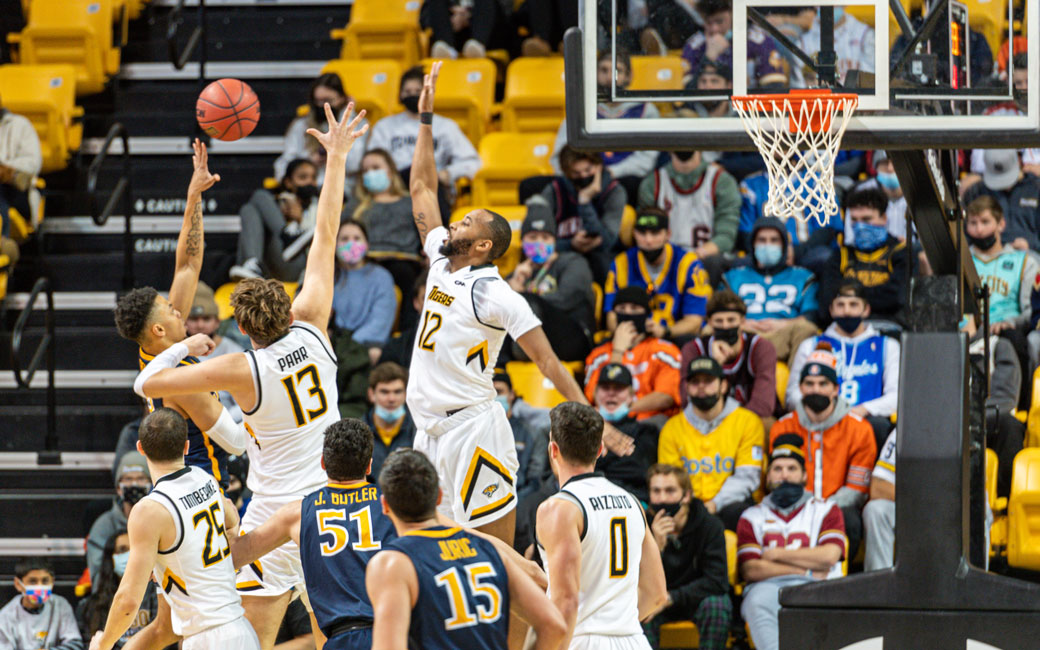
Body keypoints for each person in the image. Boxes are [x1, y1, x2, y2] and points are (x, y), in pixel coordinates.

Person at [133, 103, 369, 648]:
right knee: (336, 633)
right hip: (331, 504)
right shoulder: (313, 326)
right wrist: (336, 159)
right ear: (287, 310)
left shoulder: (242, 367)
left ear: (242, 326)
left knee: (252, 638)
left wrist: (182, 347)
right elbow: (326, 234)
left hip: (269, 512)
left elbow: (148, 385)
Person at [405, 62, 632, 545]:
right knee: (431, 554)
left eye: (467, 223)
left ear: (485, 245)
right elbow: (422, 189)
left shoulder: (496, 294)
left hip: (473, 432)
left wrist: (597, 424)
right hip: (428, 432)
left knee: (494, 556)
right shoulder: (443, 262)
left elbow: (548, 361)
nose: (455, 224)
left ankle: (542, 617)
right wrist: (425, 122)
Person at [114, 139, 245, 496]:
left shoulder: (157, 351)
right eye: (168, 309)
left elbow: (188, 265)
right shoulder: (181, 379)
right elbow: (235, 443)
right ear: (158, 329)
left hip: (183, 488)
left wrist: (194, 196)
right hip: (203, 489)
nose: (177, 307)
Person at [87, 408, 257, 650]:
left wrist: (103, 644)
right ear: (186, 447)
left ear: (140, 448)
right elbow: (232, 522)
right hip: (240, 630)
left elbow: (128, 599)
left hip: (207, 637)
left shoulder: (149, 510)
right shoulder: (205, 478)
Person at [365, 449, 568, 649]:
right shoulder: (488, 548)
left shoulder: (393, 563)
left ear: (385, 506)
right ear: (438, 498)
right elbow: (554, 625)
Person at [227, 418, 396, 649]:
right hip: (393, 633)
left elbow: (231, 557)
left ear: (323, 463)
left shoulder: (297, 513)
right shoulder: (394, 505)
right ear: (369, 466)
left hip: (342, 637)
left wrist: (229, 520)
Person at [535, 402, 668, 648]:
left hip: (581, 641)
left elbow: (566, 602)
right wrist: (616, 625)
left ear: (553, 450)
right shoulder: (633, 503)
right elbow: (658, 593)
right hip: (634, 640)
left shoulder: (558, 508)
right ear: (600, 450)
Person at [737, 435, 846, 650]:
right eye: (777, 469)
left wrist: (775, 554)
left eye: (791, 468)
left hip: (820, 587)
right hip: (767, 588)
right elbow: (751, 569)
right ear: (767, 477)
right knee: (756, 602)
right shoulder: (751, 516)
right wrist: (805, 570)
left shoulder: (827, 509)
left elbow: (829, 557)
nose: (784, 475)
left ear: (805, 475)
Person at [771, 345, 876, 557]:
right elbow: (777, 479)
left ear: (835, 389)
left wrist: (822, 508)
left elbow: (856, 489)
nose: (816, 389)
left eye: (823, 384)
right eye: (809, 383)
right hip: (791, 505)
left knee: (850, 520)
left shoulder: (859, 428)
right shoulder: (782, 427)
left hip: (839, 507)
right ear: (800, 388)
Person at [788, 281, 901, 447]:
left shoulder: (887, 345)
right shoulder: (811, 345)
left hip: (867, 422)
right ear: (831, 310)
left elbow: (896, 396)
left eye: (853, 304)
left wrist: (861, 411)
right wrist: (824, 412)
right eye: (840, 305)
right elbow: (792, 394)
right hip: (819, 419)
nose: (847, 311)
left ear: (866, 309)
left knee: (879, 426)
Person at [658, 357, 764, 530]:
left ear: (723, 385)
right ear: (686, 387)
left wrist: (714, 504)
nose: (701, 386)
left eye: (708, 381)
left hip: (731, 505)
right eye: (695, 382)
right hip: (688, 508)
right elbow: (670, 481)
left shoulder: (748, 422)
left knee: (741, 514)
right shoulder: (671, 428)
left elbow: (747, 477)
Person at [643, 464, 731, 650]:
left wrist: (672, 597)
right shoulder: (641, 525)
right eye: (656, 491)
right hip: (657, 601)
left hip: (694, 599)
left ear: (687, 496)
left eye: (670, 491)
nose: (663, 499)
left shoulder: (709, 526)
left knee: (718, 605)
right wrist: (655, 549)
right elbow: (633, 582)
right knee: (637, 608)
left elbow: (717, 581)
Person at [551, 52, 660, 200]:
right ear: (594, 74)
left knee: (635, 184)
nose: (609, 77)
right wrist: (579, 173)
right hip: (582, 177)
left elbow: (646, 159)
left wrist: (609, 173)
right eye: (603, 70)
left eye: (617, 71)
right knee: (533, 185)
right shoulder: (581, 108)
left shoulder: (645, 110)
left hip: (623, 178)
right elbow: (561, 152)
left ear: (628, 76)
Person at [967, 194, 1038, 409]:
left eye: (985, 222)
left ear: (1001, 224)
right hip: (970, 328)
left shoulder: (1023, 260)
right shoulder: (961, 261)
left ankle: (1019, 407)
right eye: (973, 223)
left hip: (1007, 327)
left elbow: (1030, 310)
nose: (979, 230)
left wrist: (1011, 322)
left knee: (1015, 340)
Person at [365, 65, 481, 195]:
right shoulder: (385, 126)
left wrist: (448, 173)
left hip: (433, 188)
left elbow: (471, 162)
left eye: (417, 91)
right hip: (396, 189)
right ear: (400, 95)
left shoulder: (446, 126)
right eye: (407, 92)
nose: (412, 95)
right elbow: (372, 162)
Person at [723, 216, 820, 366]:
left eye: (774, 240)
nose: (767, 245)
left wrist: (784, 324)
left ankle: (796, 386)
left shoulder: (803, 276)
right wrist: (741, 323)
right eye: (762, 240)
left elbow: (811, 316)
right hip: (742, 335)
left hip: (783, 335)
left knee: (807, 329)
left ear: (784, 245)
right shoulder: (733, 276)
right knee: (710, 330)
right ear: (752, 244)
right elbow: (718, 312)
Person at [604, 208, 713, 339]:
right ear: (634, 233)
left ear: (668, 234)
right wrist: (626, 338)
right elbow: (611, 316)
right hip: (631, 339)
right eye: (642, 233)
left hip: (673, 337)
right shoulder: (621, 263)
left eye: (655, 233)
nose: (648, 240)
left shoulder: (688, 264)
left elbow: (694, 321)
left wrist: (664, 331)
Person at [344, 148, 421, 329]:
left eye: (376, 167)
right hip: (365, 260)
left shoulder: (410, 203)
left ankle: (407, 334)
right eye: (366, 170)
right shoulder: (355, 205)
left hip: (403, 261)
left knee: (407, 275)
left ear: (391, 170)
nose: (370, 173)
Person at [508, 208, 596, 362]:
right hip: (534, 338)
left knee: (528, 304)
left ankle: (519, 354)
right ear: (522, 242)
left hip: (572, 335)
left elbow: (566, 299)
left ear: (554, 241)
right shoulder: (520, 272)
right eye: (533, 237)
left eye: (545, 237)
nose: (539, 242)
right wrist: (509, 286)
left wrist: (520, 297)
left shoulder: (573, 262)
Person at [585, 286, 683, 424]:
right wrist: (617, 352)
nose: (627, 313)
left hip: (649, 422)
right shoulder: (599, 354)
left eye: (634, 308)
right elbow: (595, 396)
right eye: (622, 309)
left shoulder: (665, 351)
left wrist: (623, 411)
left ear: (646, 314)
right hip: (607, 424)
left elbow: (666, 397)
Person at [820, 186, 912, 324]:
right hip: (844, 327)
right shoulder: (840, 256)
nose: (860, 226)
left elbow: (898, 298)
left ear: (884, 218)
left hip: (889, 326)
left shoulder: (900, 252)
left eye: (866, 219)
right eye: (855, 220)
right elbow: (827, 301)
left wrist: (849, 299)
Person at [534, 146, 626, 283]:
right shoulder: (554, 191)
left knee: (603, 263)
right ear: (567, 173)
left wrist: (584, 201)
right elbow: (536, 244)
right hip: (562, 255)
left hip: (599, 258)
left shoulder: (614, 192)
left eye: (588, 170)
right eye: (576, 173)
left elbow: (608, 242)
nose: (583, 176)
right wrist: (570, 244)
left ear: (599, 166)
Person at [680, 289, 778, 419]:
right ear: (709, 322)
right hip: (708, 423)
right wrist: (715, 366)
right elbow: (688, 402)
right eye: (719, 321)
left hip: (749, 424)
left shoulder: (760, 348)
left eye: (731, 320)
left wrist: (728, 428)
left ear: (742, 322)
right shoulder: (694, 349)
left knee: (766, 423)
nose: (725, 326)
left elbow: (763, 406)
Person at [638, 150, 741, 265]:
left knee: (714, 263)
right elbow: (645, 231)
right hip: (664, 262)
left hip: (704, 261)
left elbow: (726, 237)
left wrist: (690, 259)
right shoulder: (653, 183)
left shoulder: (722, 182)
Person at [274, 73, 368, 193]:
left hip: (342, 190)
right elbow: (283, 166)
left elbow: (354, 165)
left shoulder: (357, 124)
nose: (322, 106)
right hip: (305, 190)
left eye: (327, 101)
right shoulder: (301, 125)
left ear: (342, 99)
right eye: (317, 101)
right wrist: (308, 162)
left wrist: (348, 116)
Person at [231, 159, 321, 281]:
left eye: (313, 178)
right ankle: (253, 264)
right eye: (303, 177)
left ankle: (287, 238)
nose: (309, 182)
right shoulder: (277, 205)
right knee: (249, 209)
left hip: (299, 266)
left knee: (256, 199)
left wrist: (300, 221)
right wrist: (283, 216)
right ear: (288, 182)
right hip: (270, 264)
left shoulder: (321, 206)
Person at [331, 218, 398, 367]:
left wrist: (349, 345)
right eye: (344, 239)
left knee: (373, 353)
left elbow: (380, 321)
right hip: (333, 341)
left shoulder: (381, 277)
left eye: (357, 238)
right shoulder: (328, 275)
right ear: (334, 245)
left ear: (367, 244)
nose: (351, 243)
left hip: (365, 344)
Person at [591, 363, 660, 503]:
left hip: (633, 502)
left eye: (618, 388)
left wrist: (600, 463)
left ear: (631, 396)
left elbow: (639, 472)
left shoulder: (646, 432)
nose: (611, 393)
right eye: (605, 388)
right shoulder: (582, 432)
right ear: (596, 394)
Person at [680, 0, 786, 89]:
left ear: (733, 15)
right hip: (707, 112)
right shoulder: (695, 46)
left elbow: (774, 87)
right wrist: (708, 58)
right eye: (708, 23)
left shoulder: (758, 41)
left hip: (750, 109)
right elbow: (689, 96)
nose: (714, 29)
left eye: (719, 21)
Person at [78, 531, 157, 648]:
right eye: (122, 550)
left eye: (133, 549)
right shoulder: (91, 605)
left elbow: (162, 636)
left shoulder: (157, 592)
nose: (129, 554)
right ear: (111, 558)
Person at [86, 452, 152, 587]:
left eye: (141, 478)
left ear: (151, 484)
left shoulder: (161, 520)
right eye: (127, 479)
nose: (134, 484)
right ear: (118, 488)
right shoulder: (103, 526)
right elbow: (98, 575)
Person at [962, 147, 1040, 253]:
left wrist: (1030, 245)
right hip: (985, 255)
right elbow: (965, 234)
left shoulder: (1036, 188)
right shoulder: (977, 191)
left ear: (1019, 161)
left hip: (1030, 256)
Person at [186, 282, 245, 418]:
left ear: (217, 322)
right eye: (194, 319)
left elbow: (245, 402)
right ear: (185, 322)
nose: (200, 325)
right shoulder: (178, 352)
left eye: (206, 319)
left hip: (227, 420)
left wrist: (223, 424)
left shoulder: (234, 352)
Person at [0, 558, 81, 650]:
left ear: (52, 582)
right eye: (33, 581)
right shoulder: (6, 616)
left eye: (45, 581)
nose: (39, 586)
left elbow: (76, 644)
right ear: (18, 584)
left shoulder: (60, 605)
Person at [493, 372, 549, 499]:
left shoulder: (531, 433)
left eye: (499, 391)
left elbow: (535, 480)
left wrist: (514, 503)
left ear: (511, 395)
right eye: (491, 393)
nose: (494, 398)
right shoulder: (479, 432)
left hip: (519, 500)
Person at [362, 362, 416, 479]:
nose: (391, 399)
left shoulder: (418, 430)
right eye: (384, 392)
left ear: (406, 394)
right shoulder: (358, 433)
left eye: (397, 392)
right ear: (371, 394)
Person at [0, 99, 42, 239]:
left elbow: (33, 163)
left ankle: (2, 244)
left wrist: (4, 167)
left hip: (17, 191)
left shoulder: (20, 125)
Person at [422, 0, 512, 60]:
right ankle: (447, 48)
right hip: (456, 36)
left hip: (491, 37)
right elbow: (424, 19)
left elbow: (506, 13)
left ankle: (478, 44)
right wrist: (450, 16)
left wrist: (470, 16)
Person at [378, 270, 427, 369]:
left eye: (435, 299)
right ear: (416, 303)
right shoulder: (395, 348)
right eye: (425, 298)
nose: (431, 304)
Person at [863, 428, 896, 572]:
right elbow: (879, 487)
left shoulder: (969, 426)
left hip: (961, 511)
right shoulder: (907, 429)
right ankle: (880, 586)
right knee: (876, 509)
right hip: (918, 507)